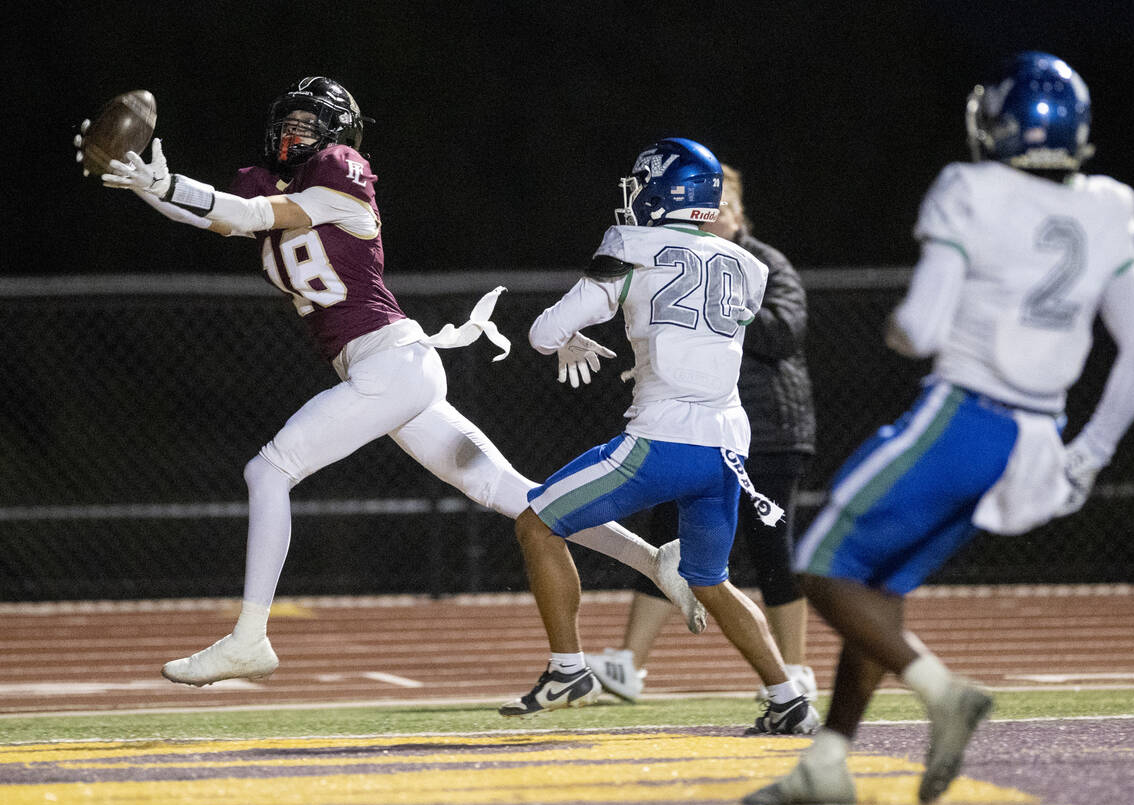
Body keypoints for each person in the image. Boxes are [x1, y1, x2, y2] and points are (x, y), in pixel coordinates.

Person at [79, 76, 706, 687]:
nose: (295, 132)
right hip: (391, 373)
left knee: (268, 471)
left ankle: (250, 638)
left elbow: (243, 214)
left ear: (335, 137)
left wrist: (166, 182)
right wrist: (136, 177)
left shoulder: (339, 178)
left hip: (390, 363)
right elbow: (217, 217)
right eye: (289, 122)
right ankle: (656, 562)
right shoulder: (270, 185)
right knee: (513, 492)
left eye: (309, 124)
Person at [745, 52, 1134, 805]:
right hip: (1039, 438)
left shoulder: (970, 188)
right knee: (879, 583)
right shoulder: (1109, 204)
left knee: (819, 566)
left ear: (998, 122)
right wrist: (1090, 454)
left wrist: (900, 332)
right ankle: (830, 758)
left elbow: (922, 322)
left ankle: (943, 690)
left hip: (966, 417)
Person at [499, 138, 818, 737]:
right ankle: (788, 698)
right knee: (709, 580)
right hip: (728, 447)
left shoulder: (629, 247)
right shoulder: (749, 265)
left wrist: (569, 337)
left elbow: (545, 332)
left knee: (536, 523)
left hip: (661, 441)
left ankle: (568, 669)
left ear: (664, 190)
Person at [585, 164, 819, 708]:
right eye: (706, 211)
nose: (712, 219)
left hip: (769, 430)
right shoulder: (680, 261)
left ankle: (796, 669)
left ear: (740, 215)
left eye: (724, 209)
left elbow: (785, 332)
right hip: (697, 428)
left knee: (770, 548)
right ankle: (627, 665)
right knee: (668, 533)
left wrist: (721, 302)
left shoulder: (761, 264)